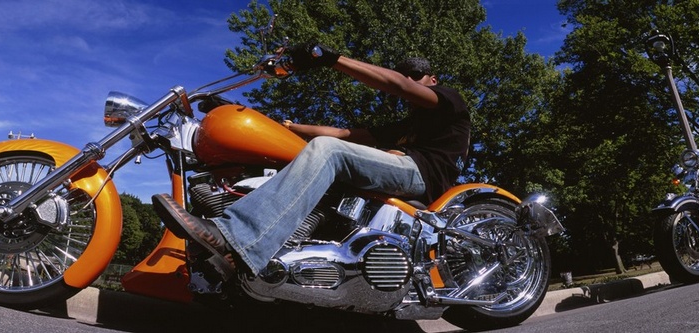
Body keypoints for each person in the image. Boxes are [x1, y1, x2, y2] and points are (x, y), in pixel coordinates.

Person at [153, 43, 471, 278]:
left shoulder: (449, 101)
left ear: (432, 78)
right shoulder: (406, 125)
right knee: (315, 150)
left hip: (422, 176)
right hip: (402, 172)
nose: (410, 79)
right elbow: (346, 133)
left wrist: (330, 59)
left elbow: (396, 86)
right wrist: (280, 125)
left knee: (327, 149)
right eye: (406, 74)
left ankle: (234, 234)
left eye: (416, 75)